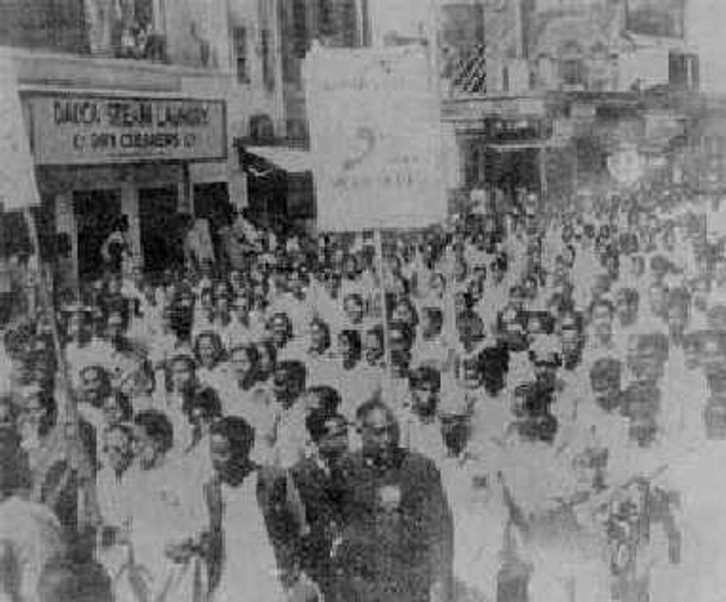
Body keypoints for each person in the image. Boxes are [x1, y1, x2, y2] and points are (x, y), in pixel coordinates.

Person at [333, 397, 453, 602]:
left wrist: (440, 581)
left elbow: (440, 528)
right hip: (363, 583)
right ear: (361, 432)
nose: (388, 439)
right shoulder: (346, 469)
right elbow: (339, 525)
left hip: (409, 580)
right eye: (379, 432)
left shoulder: (419, 468)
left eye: (392, 430)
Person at [204, 417, 288, 602]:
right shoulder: (213, 488)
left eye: (222, 453)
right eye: (212, 451)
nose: (215, 459)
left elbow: (293, 527)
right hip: (231, 575)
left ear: (242, 452)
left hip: (267, 574)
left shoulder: (270, 479)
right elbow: (216, 539)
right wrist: (211, 586)